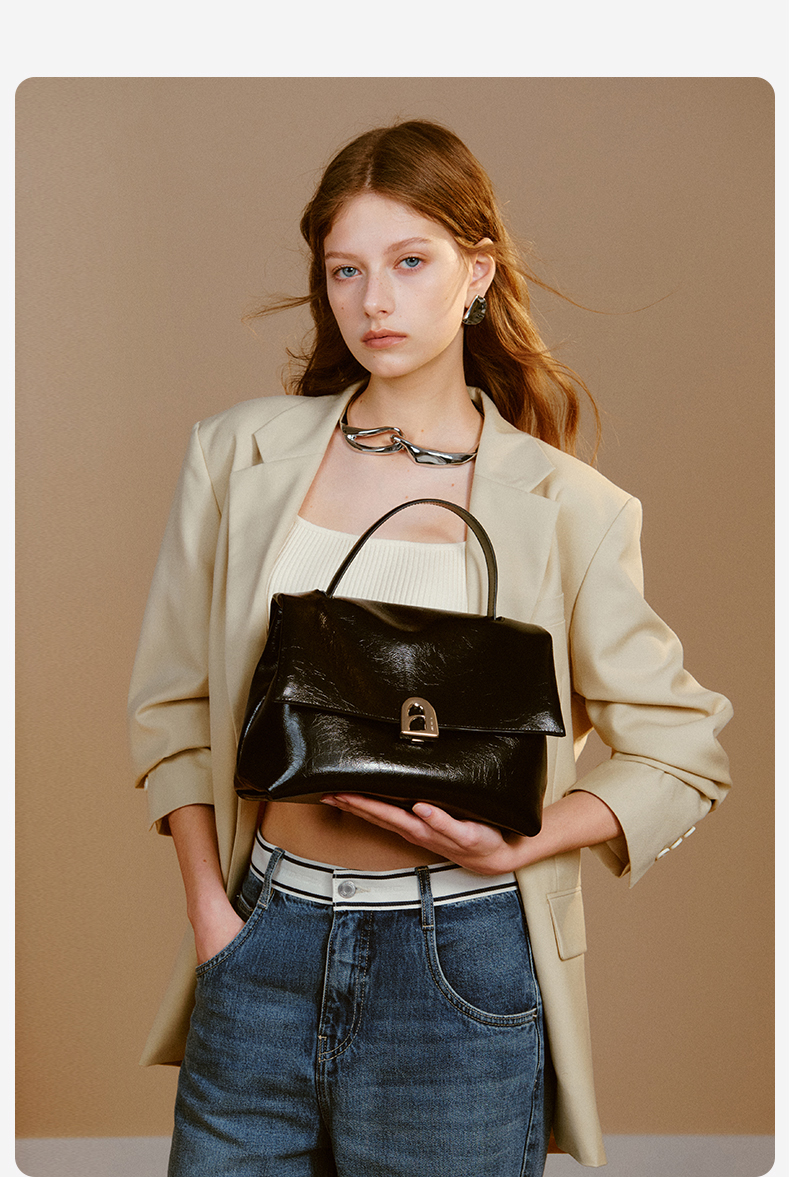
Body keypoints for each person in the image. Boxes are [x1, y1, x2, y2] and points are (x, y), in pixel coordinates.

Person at [128, 120, 733, 1175]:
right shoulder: (236, 455)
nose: (374, 301)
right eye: (346, 270)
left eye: (410, 262)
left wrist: (521, 846)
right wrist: (212, 915)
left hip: (459, 964)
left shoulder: (570, 507)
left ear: (476, 273)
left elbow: (683, 749)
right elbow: (171, 703)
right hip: (260, 936)